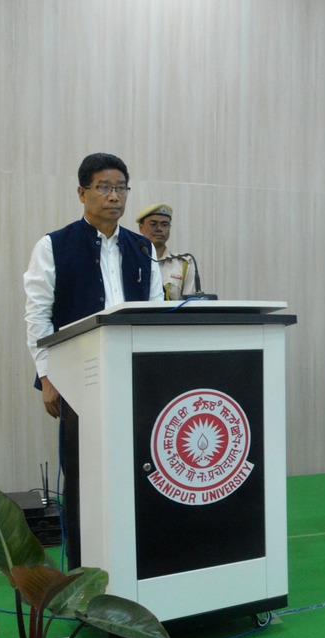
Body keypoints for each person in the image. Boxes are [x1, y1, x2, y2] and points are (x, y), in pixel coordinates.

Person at [23, 153, 163, 569]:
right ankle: (83, 568)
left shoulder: (142, 248)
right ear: (82, 193)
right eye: (104, 187)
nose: (114, 196)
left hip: (135, 379)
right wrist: (47, 376)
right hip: (76, 378)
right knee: (83, 476)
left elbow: (155, 309)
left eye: (120, 187)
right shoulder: (53, 246)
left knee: (140, 467)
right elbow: (37, 316)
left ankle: (136, 559)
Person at [136, 203, 197, 300]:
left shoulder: (183, 264)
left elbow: (189, 304)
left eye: (164, 225)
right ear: (141, 227)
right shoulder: (131, 259)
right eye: (153, 224)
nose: (159, 229)